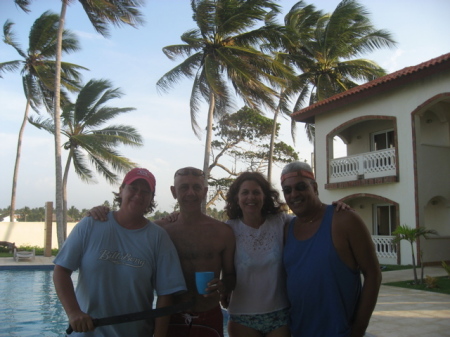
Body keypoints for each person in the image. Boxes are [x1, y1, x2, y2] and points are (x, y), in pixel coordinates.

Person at [89, 166, 236, 337]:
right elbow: (127, 234)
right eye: (183, 187)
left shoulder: (222, 232)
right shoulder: (160, 230)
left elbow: (231, 276)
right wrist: (99, 212)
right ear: (174, 192)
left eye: (196, 187)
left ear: (204, 192)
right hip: (168, 317)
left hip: (208, 314)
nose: (190, 193)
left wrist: (224, 286)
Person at [53, 168, 187, 337]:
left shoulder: (158, 238)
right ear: (121, 190)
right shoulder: (91, 224)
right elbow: (61, 270)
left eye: (146, 191)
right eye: (133, 188)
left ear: (151, 199)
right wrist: (73, 312)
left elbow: (166, 294)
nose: (138, 195)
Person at [280, 161, 382, 337]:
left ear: (315, 188)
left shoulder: (344, 220)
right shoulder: (287, 228)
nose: (294, 194)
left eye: (301, 187)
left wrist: (358, 330)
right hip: (297, 331)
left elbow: (373, 274)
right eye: (287, 190)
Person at [223, 172, 291, 337]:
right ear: (237, 198)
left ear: (264, 196)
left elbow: (310, 221)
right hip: (242, 317)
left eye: (256, 192)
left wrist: (333, 210)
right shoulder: (229, 229)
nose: (250, 197)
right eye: (245, 192)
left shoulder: (281, 221)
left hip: (279, 313)